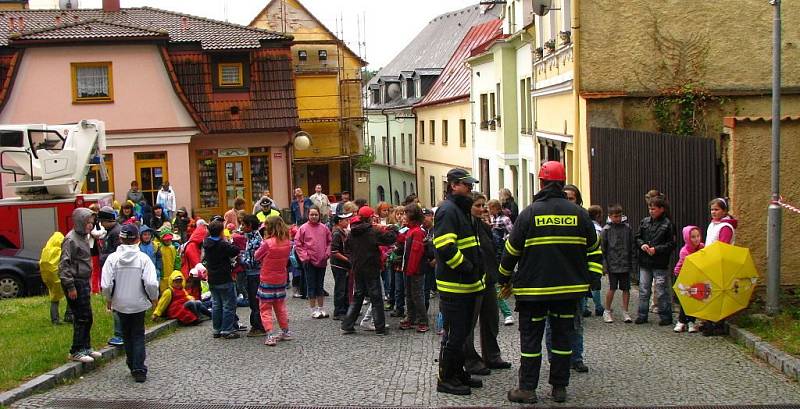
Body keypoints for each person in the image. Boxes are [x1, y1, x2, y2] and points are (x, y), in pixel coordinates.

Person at [499, 161, 602, 404]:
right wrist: (591, 281)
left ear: (542, 183)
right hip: (569, 292)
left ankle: (527, 389)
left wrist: (503, 278)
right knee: (563, 340)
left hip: (533, 291)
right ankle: (559, 388)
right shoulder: (579, 214)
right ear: (562, 183)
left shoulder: (530, 212)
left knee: (531, 341)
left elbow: (511, 250)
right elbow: (595, 251)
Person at [432, 168, 485, 396]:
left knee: (462, 334)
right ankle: (446, 378)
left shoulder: (460, 209)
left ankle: (458, 372)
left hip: (467, 283)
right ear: (453, 185)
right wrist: (468, 268)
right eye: (466, 184)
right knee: (454, 334)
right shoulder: (448, 210)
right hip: (456, 285)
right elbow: (445, 246)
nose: (470, 188)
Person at [101, 223, 160, 383]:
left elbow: (106, 284)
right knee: (138, 334)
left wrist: (109, 299)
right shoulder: (143, 259)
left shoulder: (112, 259)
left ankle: (131, 361)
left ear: (120, 239)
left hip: (120, 303)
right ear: (138, 239)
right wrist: (153, 298)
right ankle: (139, 367)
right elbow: (151, 283)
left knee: (126, 334)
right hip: (139, 302)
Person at [463, 193, 511, 375]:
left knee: (491, 320)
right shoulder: (465, 227)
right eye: (478, 205)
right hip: (473, 281)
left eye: (483, 205)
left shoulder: (483, 227)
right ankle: (471, 360)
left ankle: (492, 356)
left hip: (489, 279)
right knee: (469, 324)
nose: (482, 209)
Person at [340, 206, 398, 335]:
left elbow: (346, 248)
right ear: (370, 217)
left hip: (357, 267)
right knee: (376, 297)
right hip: (371, 267)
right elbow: (390, 239)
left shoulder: (352, 232)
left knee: (358, 296)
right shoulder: (372, 231)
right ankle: (380, 328)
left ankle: (347, 324)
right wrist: (394, 229)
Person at [635, 196, 676, 326]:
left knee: (661, 290)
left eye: (653, 209)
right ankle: (642, 315)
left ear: (661, 209)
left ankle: (665, 316)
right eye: (649, 208)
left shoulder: (668, 224)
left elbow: (671, 244)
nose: (651, 211)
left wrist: (656, 249)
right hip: (645, 261)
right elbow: (637, 237)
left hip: (660, 262)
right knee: (644, 289)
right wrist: (642, 245)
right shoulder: (644, 222)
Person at [254, 216, 294, 346]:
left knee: (265, 308)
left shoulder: (268, 243)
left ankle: (270, 334)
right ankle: (285, 331)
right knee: (280, 307)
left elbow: (257, 256)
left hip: (267, 278)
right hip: (280, 278)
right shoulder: (287, 242)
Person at [701, 197, 738, 336]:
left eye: (716, 209)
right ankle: (709, 321)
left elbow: (722, 247)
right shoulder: (714, 224)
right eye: (712, 209)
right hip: (711, 262)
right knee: (710, 293)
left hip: (720, 264)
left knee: (717, 293)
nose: (713, 212)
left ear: (724, 211)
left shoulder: (725, 227)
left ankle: (718, 324)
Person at [203, 220, 242, 339]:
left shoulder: (206, 243)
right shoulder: (222, 244)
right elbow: (235, 250)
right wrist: (226, 240)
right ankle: (227, 329)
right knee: (228, 304)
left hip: (213, 278)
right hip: (224, 277)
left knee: (216, 304)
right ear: (221, 232)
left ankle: (217, 328)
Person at [295, 206, 332, 318]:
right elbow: (298, 244)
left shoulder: (324, 228)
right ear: (308, 215)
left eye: (316, 214)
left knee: (320, 285)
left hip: (322, 260)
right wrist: (305, 257)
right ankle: (313, 309)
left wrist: (327, 253)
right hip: (309, 261)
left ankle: (321, 308)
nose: (314, 217)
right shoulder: (303, 228)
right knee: (311, 285)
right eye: (312, 214)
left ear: (319, 215)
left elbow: (330, 242)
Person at [601, 204, 635, 324]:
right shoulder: (606, 230)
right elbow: (603, 249)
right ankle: (607, 310)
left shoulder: (627, 228)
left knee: (626, 288)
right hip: (612, 264)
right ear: (610, 216)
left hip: (625, 263)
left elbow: (631, 246)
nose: (617, 218)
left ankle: (625, 311)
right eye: (615, 216)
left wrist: (632, 262)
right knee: (612, 288)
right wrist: (605, 266)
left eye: (619, 216)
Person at [399, 204, 429, 332]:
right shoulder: (410, 230)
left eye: (406, 213)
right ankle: (410, 318)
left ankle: (423, 321)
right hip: (408, 269)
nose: (403, 216)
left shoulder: (417, 232)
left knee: (417, 295)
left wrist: (409, 270)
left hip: (415, 270)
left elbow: (416, 253)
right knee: (409, 295)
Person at [487, 199, 515, 325]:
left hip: (498, 256)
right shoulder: (489, 221)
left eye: (489, 208)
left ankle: (507, 314)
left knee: (496, 286)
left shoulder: (504, 219)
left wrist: (503, 239)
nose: (488, 211)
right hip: (489, 258)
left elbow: (512, 233)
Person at [673, 225, 704, 333]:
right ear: (687, 238)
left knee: (694, 299)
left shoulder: (702, 248)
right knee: (685, 300)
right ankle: (681, 321)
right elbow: (689, 266)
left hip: (696, 277)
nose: (696, 239)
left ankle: (691, 321)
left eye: (698, 236)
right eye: (693, 237)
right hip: (682, 276)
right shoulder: (684, 251)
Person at [240, 214, 266, 337]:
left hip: (255, 274)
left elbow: (255, 259)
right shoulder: (249, 237)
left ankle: (258, 326)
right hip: (251, 274)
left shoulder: (256, 239)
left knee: (255, 300)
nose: (242, 227)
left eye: (244, 225)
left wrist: (241, 259)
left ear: (250, 226)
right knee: (252, 300)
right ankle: (256, 324)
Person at [330, 211, 353, 320]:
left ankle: (346, 308)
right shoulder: (337, 233)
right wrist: (348, 260)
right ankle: (338, 312)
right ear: (339, 221)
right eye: (346, 220)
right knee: (340, 288)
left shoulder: (343, 232)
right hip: (339, 265)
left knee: (345, 288)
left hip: (344, 265)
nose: (348, 222)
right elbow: (334, 251)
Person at [41, 232, 67, 324]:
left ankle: (54, 318)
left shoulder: (46, 250)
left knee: (54, 299)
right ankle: (68, 316)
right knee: (70, 296)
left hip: (49, 278)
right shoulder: (59, 251)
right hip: (59, 277)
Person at [584, 205, 605, 317]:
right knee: (596, 285)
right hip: (595, 260)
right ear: (598, 216)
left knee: (584, 285)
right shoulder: (598, 229)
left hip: (584, 260)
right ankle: (598, 307)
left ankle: (584, 308)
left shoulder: (585, 226)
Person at [181, 222, 207, 301]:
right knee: (192, 294)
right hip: (190, 275)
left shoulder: (192, 244)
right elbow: (197, 263)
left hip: (191, 274)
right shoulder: (192, 246)